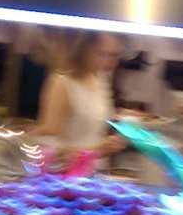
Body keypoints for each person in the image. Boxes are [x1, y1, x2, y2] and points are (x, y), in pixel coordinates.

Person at [35, 31, 125, 161]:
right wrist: (97, 150)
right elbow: (49, 146)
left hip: (95, 168)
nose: (109, 62)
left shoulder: (100, 78)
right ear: (84, 50)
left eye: (114, 56)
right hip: (69, 170)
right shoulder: (62, 83)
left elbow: (95, 123)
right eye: (101, 54)